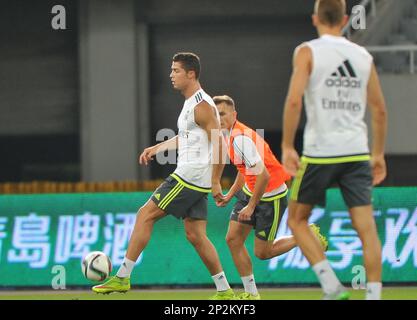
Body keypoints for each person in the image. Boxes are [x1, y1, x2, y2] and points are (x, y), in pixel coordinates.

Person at [93, 52, 236, 300]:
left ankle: (123, 277)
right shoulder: (191, 102)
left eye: (176, 71)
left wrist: (215, 182)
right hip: (196, 178)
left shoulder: (202, 106)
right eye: (171, 70)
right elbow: (189, 138)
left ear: (191, 74)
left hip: (189, 176)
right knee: (196, 235)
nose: (171, 75)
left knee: (144, 215)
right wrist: (157, 148)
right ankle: (225, 290)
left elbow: (220, 145)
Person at [281, 0, 387, 300]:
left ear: (315, 19)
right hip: (356, 152)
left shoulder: (307, 51)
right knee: (366, 228)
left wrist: (288, 145)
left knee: (297, 220)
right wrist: (378, 154)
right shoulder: (363, 56)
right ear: (344, 20)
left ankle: (331, 286)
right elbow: (379, 110)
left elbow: (293, 101)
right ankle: (374, 296)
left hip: (319, 153)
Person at [213, 95, 328, 300]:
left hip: (271, 197)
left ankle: (306, 235)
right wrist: (231, 194)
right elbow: (244, 168)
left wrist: (251, 205)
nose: (218, 118)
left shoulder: (240, 138)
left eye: (222, 113)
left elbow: (263, 175)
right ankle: (251, 294)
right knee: (232, 239)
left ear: (234, 115)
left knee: (263, 253)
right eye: (216, 114)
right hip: (251, 191)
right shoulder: (230, 135)